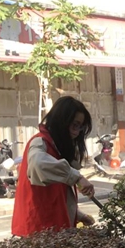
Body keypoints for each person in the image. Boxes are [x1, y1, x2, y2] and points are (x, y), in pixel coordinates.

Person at [12, 96, 96, 237]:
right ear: (62, 121)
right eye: (74, 125)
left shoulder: (56, 148)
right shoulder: (40, 142)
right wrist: (77, 177)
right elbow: (39, 164)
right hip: (38, 231)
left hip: (53, 231)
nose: (76, 133)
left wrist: (78, 214)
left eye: (80, 127)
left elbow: (55, 197)